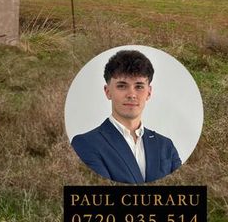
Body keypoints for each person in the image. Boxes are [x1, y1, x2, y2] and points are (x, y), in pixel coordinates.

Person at [71, 49, 181, 183]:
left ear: (149, 92)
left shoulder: (165, 145)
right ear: (108, 92)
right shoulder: (86, 144)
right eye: (122, 86)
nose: (131, 95)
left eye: (139, 86)